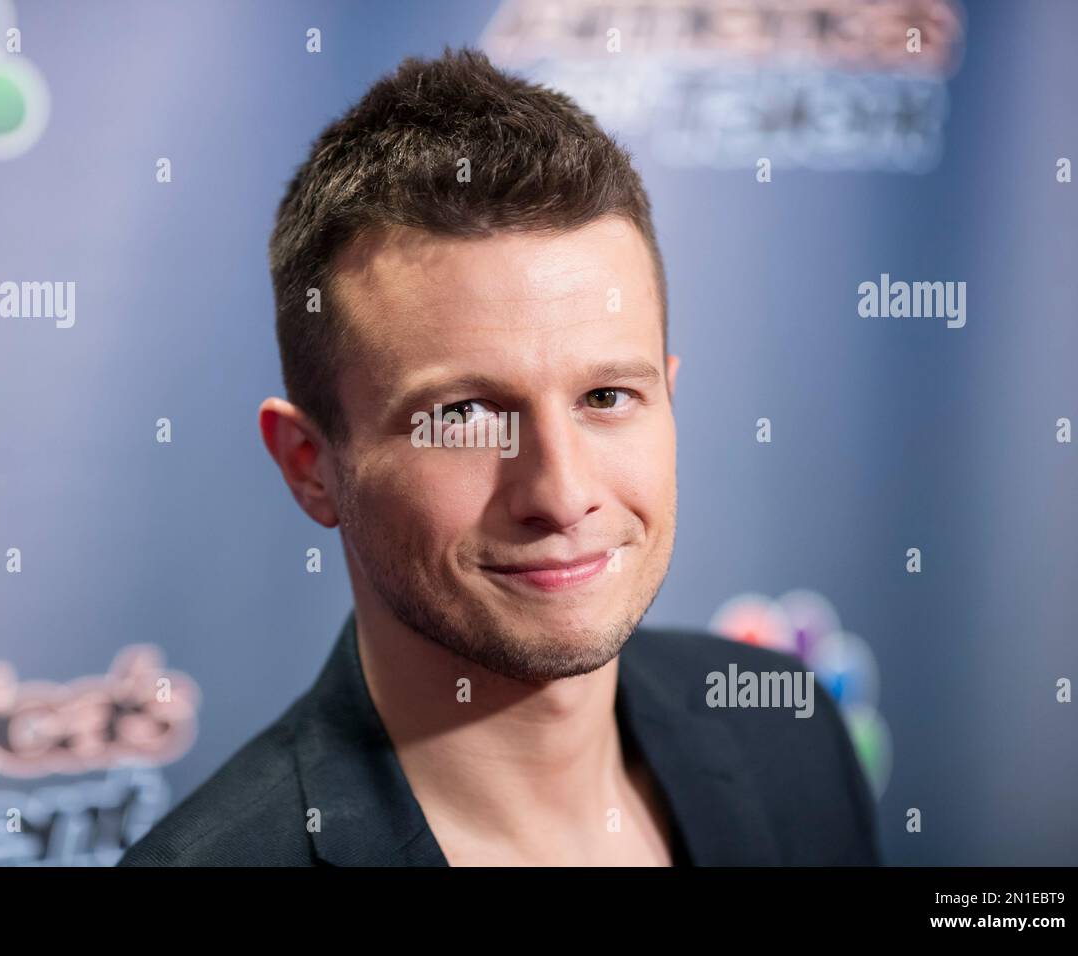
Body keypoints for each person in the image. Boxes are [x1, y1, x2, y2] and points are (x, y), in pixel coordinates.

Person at [119, 47, 881, 867]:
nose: (561, 493)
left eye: (606, 398)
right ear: (310, 463)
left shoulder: (785, 729)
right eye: (467, 416)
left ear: (668, 396)